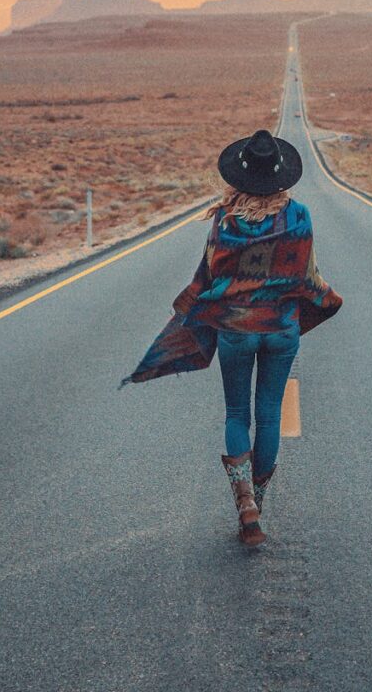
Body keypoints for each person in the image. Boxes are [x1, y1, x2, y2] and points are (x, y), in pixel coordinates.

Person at [121, 128, 343, 548]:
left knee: (238, 413)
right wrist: (322, 300)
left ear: (240, 176)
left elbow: (208, 276)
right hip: (280, 329)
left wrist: (191, 305)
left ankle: (245, 507)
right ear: (280, 176)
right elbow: (305, 275)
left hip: (236, 331)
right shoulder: (300, 216)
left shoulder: (226, 221)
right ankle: (257, 501)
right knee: (271, 414)